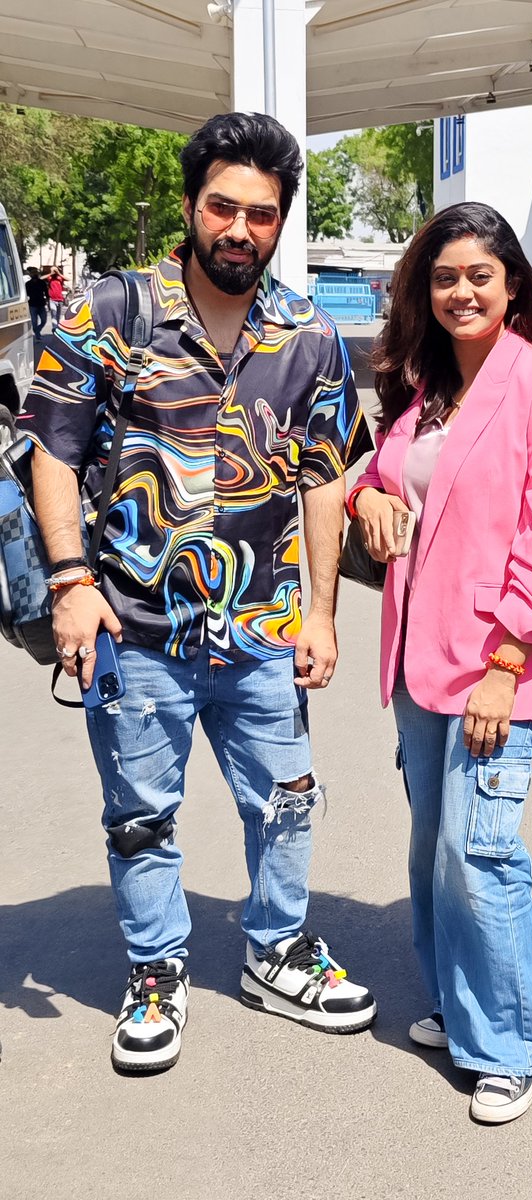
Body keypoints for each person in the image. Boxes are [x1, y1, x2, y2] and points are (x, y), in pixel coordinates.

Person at [18, 111, 377, 1073]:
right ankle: (154, 970)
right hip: (133, 630)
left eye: (261, 215)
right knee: (141, 813)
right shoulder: (113, 310)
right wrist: (69, 582)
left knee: (289, 800)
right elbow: (49, 446)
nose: (239, 229)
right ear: (190, 206)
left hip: (261, 628)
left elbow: (324, 478)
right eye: (222, 206)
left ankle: (275, 952)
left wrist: (324, 615)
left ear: (279, 222)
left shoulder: (308, 335)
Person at [349, 202, 532, 1124]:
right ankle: (459, 1009)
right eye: (444, 277)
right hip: (419, 662)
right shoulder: (425, 390)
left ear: (512, 286)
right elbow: (392, 475)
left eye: (478, 276)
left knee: (478, 851)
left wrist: (505, 663)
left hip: (499, 665)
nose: (460, 291)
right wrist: (371, 497)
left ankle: (506, 1046)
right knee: (430, 853)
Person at [25, 268, 49, 341]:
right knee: (34, 322)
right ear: (31, 275)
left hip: (41, 304)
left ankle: (37, 331)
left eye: (36, 273)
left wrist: (48, 301)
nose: (35, 274)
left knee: (44, 320)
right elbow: (26, 294)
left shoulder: (42, 282)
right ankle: (37, 335)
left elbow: (46, 292)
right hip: (32, 305)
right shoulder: (28, 284)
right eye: (33, 273)